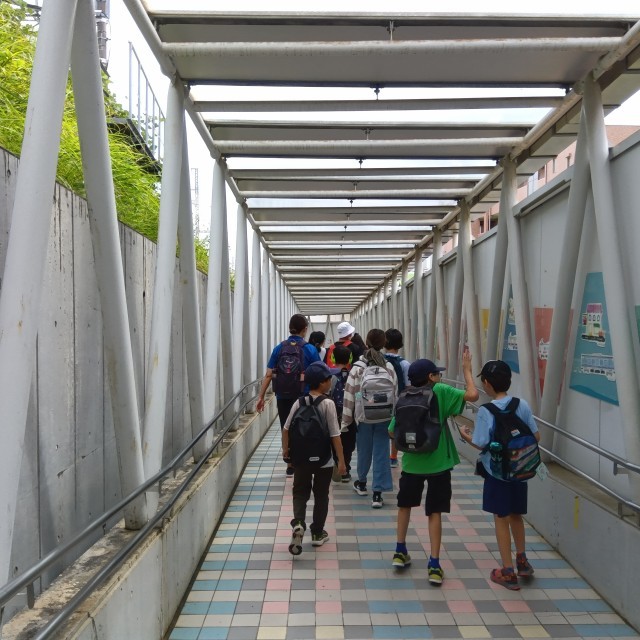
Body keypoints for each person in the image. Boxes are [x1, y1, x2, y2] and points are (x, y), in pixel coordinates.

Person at [388, 352, 479, 585]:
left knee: (405, 506)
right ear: (431, 377)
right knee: (434, 512)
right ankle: (434, 565)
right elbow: (473, 395)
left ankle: (400, 551)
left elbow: (391, 431)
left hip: (411, 464)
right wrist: (467, 370)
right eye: (437, 373)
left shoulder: (405, 395)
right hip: (439, 464)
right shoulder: (440, 391)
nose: (439, 376)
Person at [459, 359, 540, 591]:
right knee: (516, 515)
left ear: (486, 383)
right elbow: (536, 437)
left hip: (497, 473)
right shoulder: (521, 404)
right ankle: (522, 561)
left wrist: (465, 435)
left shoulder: (487, 411)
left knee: (501, 518)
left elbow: (480, 442)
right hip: (520, 470)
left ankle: (507, 571)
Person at [282, 361, 346, 555]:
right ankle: (317, 532)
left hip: (301, 458)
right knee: (321, 495)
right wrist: (341, 461)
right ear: (322, 383)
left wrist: (286, 452)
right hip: (323, 459)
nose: (331, 381)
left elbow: (286, 429)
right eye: (329, 379)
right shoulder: (328, 404)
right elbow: (335, 435)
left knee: (300, 492)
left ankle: (298, 523)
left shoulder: (298, 402)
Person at [256, 313, 320, 476]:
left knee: (286, 427)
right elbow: (319, 373)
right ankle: (302, 460)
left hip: (282, 396)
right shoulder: (310, 349)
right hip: (303, 396)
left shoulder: (279, 348)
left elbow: (269, 374)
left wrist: (261, 397)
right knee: (303, 427)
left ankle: (290, 463)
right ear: (304, 329)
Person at [341, 328, 398, 508]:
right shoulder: (388, 367)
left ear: (366, 343)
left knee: (364, 450)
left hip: (363, 416)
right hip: (384, 416)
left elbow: (349, 395)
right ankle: (378, 494)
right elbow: (395, 394)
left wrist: (346, 421)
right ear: (384, 344)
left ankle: (362, 483)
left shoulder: (358, 368)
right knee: (381, 452)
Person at [384, 329, 410, 468]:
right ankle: (393, 457)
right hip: (399, 401)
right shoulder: (404, 364)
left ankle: (381, 456)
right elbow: (408, 386)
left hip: (380, 401)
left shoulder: (380, 361)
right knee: (395, 428)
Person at [330, 344, 356, 482]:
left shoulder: (329, 375)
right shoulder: (354, 375)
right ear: (350, 359)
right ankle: (346, 470)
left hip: (334, 415)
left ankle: (337, 462)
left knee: (335, 440)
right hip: (350, 415)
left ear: (333, 358)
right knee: (349, 443)